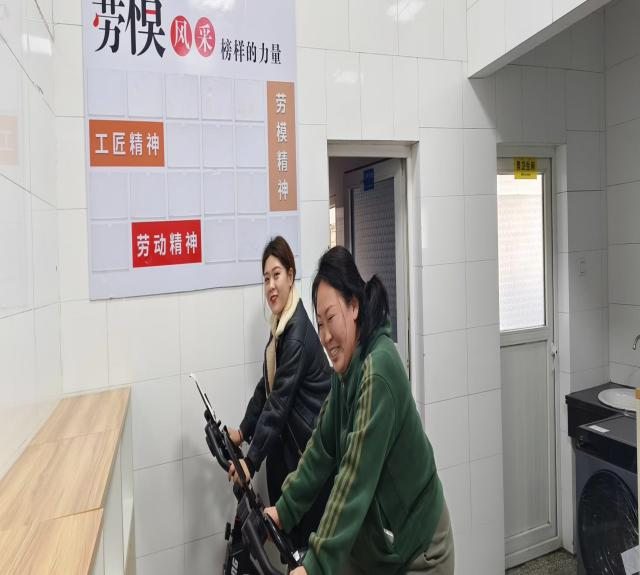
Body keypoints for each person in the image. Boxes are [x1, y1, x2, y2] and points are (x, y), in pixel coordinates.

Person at [265, 246, 454, 575]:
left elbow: (354, 476)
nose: (325, 336)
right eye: (319, 323)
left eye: (331, 319)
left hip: (420, 552)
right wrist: (284, 509)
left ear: (354, 306)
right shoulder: (346, 371)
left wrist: (315, 565)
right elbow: (321, 448)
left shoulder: (377, 370)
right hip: (378, 549)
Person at [227, 235, 332, 548]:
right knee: (291, 545)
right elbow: (266, 387)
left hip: (310, 454)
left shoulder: (295, 333)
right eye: (266, 278)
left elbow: (278, 402)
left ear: (291, 275)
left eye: (276, 275)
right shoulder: (280, 327)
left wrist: (250, 462)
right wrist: (242, 432)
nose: (271, 286)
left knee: (303, 549)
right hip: (293, 449)